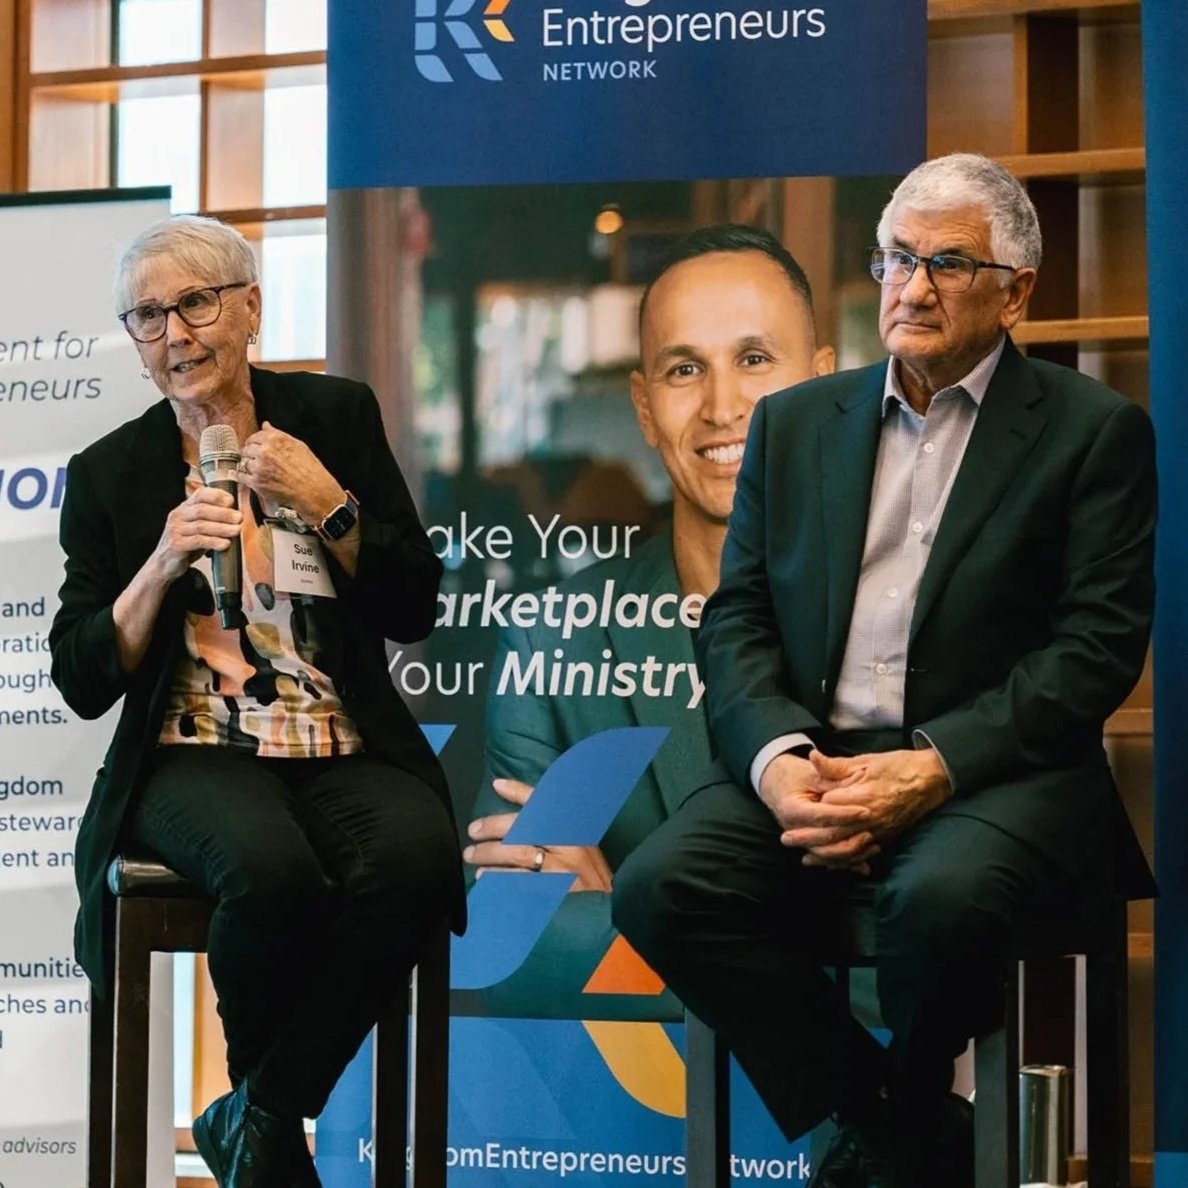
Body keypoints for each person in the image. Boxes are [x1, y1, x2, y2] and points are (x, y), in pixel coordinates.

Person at [612, 154, 1156, 1188]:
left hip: (992, 771)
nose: (911, 288)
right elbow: (737, 622)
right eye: (897, 259)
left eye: (947, 263)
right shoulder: (796, 423)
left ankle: (896, 1120)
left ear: (1017, 290)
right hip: (817, 756)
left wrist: (933, 767)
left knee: (941, 900)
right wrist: (776, 761)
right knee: (663, 884)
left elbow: (1093, 656)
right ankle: (899, 1128)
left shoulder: (1093, 434)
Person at [49, 215, 463, 1188]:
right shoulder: (111, 474)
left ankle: (261, 1113)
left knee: (416, 861)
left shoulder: (335, 418)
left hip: (338, 737)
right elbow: (78, 675)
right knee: (269, 872)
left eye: (195, 303)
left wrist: (329, 500)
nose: (176, 335)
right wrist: (158, 563)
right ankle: (268, 1135)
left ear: (251, 311)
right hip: (189, 752)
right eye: (148, 318)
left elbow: (416, 605)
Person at [463, 225, 835, 1012]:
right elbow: (520, 941)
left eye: (756, 360)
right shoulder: (551, 634)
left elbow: (895, 958)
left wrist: (615, 904)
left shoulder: (895, 628)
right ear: (643, 404)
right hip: (601, 1122)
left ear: (826, 388)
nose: (722, 405)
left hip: (844, 1119)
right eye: (684, 369)